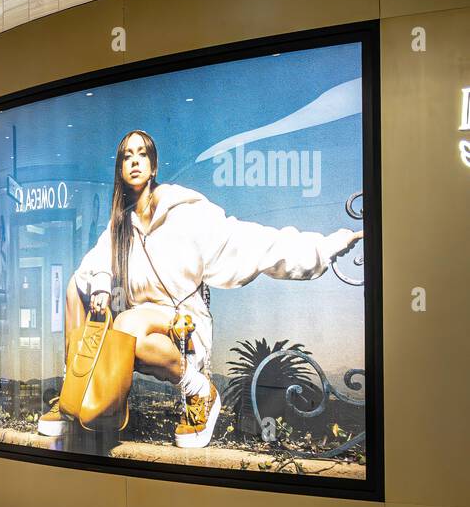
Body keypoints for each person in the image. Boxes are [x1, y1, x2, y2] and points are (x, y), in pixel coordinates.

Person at [38, 130, 363, 448]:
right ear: (120, 169)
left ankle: (201, 392)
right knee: (77, 287)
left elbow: (254, 242)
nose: (135, 162)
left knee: (126, 324)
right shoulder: (120, 224)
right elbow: (96, 261)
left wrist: (329, 245)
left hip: (184, 322)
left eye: (142, 155)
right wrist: (100, 286)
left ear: (153, 166)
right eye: (127, 156)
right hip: (143, 325)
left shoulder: (186, 213)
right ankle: (74, 390)